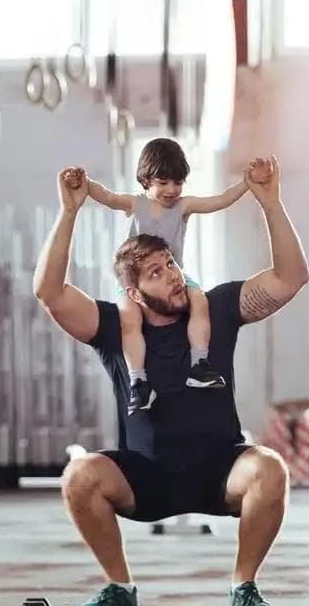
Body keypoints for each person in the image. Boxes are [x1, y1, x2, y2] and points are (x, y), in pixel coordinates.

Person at [33, 154, 309, 606]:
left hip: (221, 471)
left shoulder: (218, 307)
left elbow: (290, 278)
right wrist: (70, 211)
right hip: (147, 478)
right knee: (80, 475)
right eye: (156, 273)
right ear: (135, 293)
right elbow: (49, 291)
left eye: (171, 264)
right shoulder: (114, 326)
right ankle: (120, 589)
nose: (173, 275)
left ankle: (244, 588)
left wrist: (270, 204)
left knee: (270, 468)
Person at [69, 138, 250, 414]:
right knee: (130, 320)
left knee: (200, 301)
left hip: (176, 277)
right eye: (163, 182)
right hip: (137, 284)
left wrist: (247, 183)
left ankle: (199, 364)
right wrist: (84, 183)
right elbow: (106, 196)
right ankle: (138, 383)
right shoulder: (136, 204)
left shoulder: (183, 206)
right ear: (146, 179)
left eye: (178, 183)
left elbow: (220, 201)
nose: (172, 190)